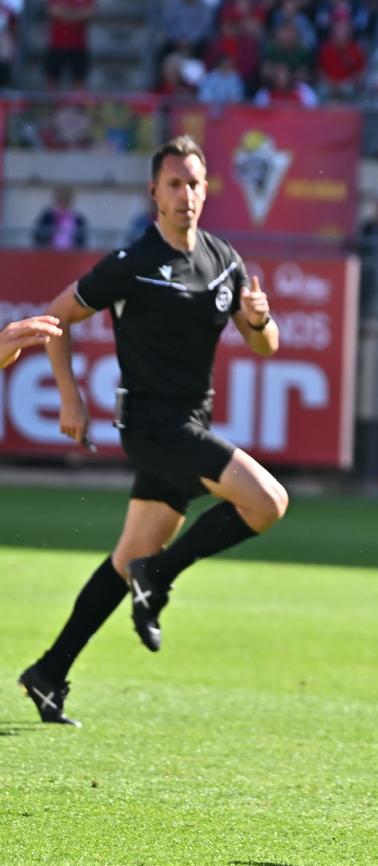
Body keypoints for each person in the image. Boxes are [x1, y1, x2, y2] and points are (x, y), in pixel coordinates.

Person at [18, 136, 286, 726]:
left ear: (206, 189)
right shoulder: (133, 263)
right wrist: (70, 397)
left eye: (193, 183)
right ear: (154, 193)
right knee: (268, 502)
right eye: (173, 184)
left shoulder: (224, 260)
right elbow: (54, 319)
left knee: (126, 558)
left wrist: (262, 319)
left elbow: (264, 344)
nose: (185, 194)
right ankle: (158, 577)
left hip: (190, 425)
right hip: (150, 426)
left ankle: (48, 673)